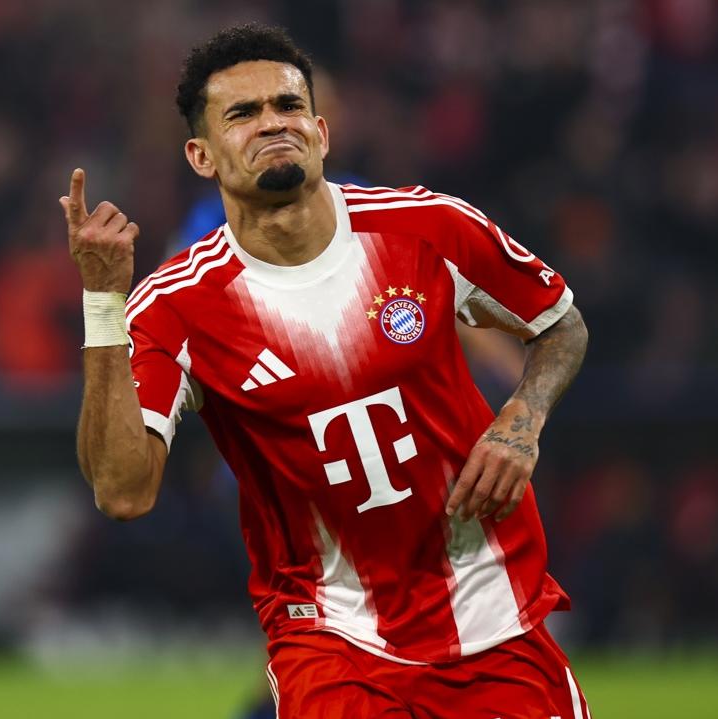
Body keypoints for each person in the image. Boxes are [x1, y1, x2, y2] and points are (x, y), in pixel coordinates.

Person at [60, 23, 591, 719]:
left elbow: (559, 321)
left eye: (287, 105)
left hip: (494, 615)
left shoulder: (428, 226)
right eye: (243, 114)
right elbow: (122, 490)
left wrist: (523, 418)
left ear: (322, 130)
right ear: (201, 154)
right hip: (330, 639)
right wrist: (102, 303)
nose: (272, 123)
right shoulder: (174, 303)